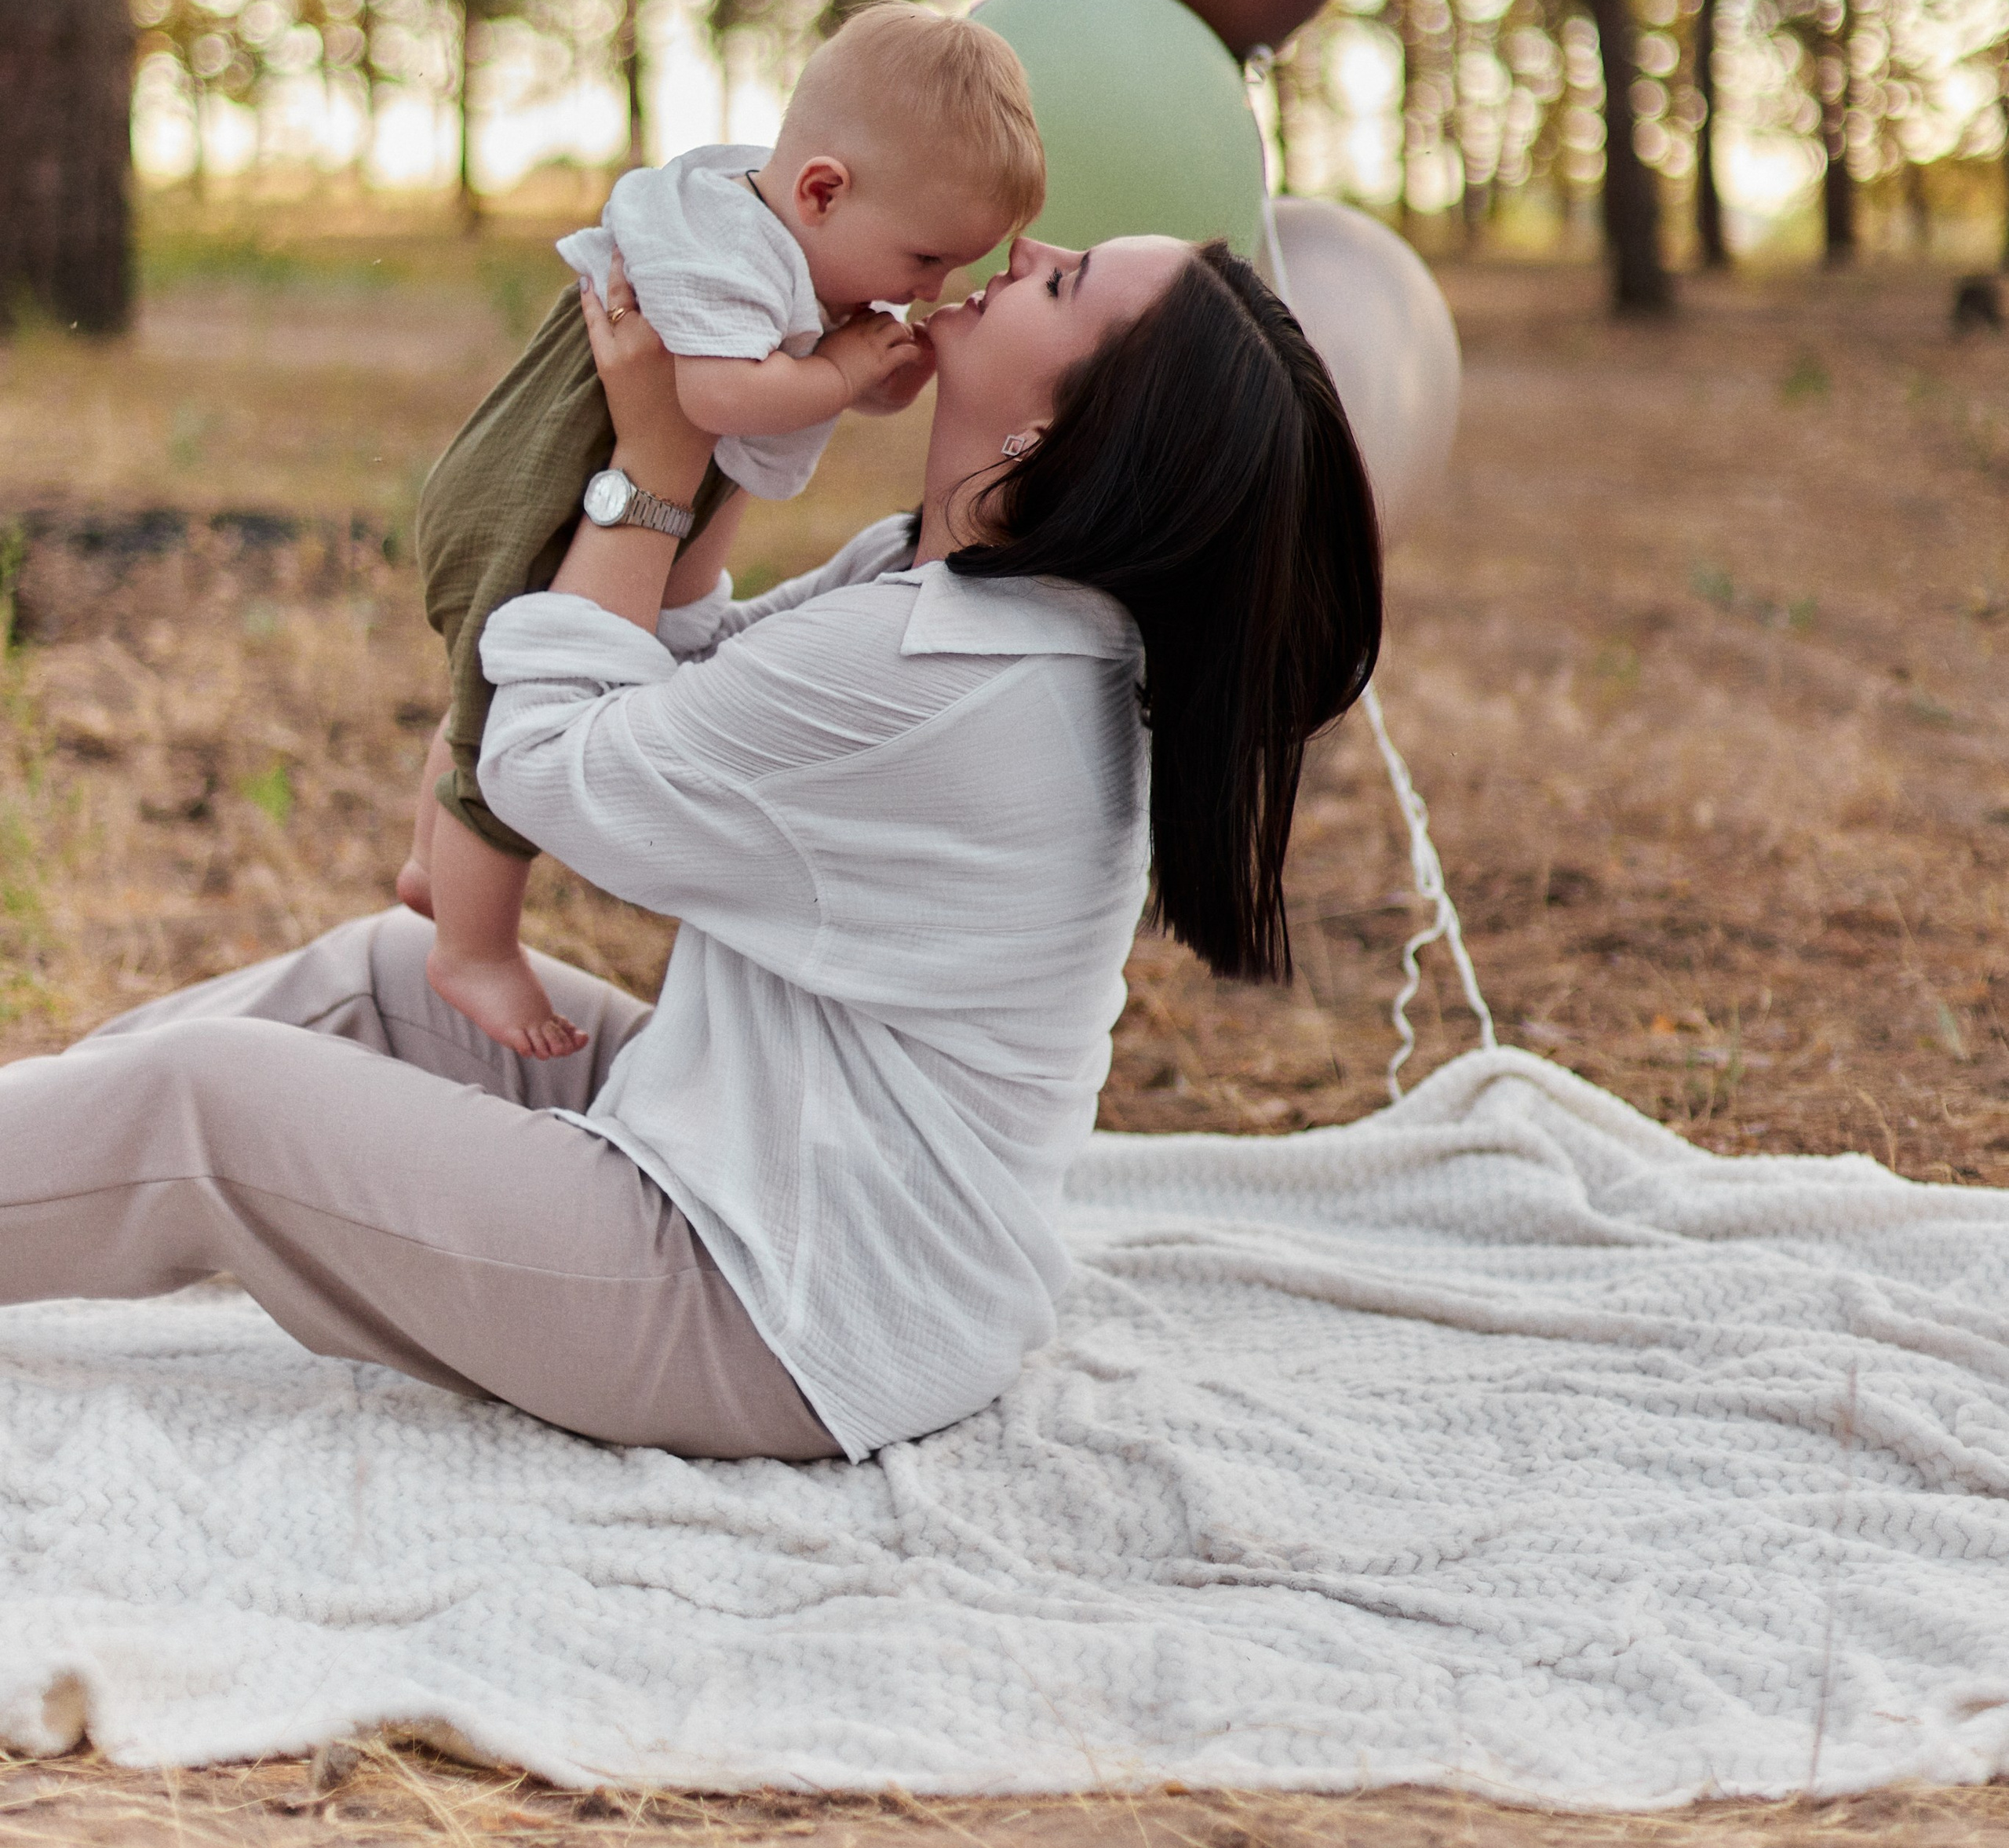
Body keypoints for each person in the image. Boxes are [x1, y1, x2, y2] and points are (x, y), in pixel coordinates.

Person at [0, 228, 1380, 1462]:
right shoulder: (960, 600)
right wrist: (752, 409)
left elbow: (543, 762)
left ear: (1064, 434)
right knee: (387, 975)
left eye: (1066, 284)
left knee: (209, 1101)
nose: (1022, 251)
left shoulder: (945, 676)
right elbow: (684, 653)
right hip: (764, 1175)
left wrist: (651, 467)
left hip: (768, 1313)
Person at [400, 2, 1045, 1063]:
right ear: (822, 189)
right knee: (498, 728)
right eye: (925, 258)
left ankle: (435, 859)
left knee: (486, 679)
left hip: (583, 502)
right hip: (531, 496)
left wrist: (880, 380)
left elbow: (801, 382)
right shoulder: (723, 248)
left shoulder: (803, 237)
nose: (932, 291)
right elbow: (717, 396)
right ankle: (471, 946)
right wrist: (842, 371)